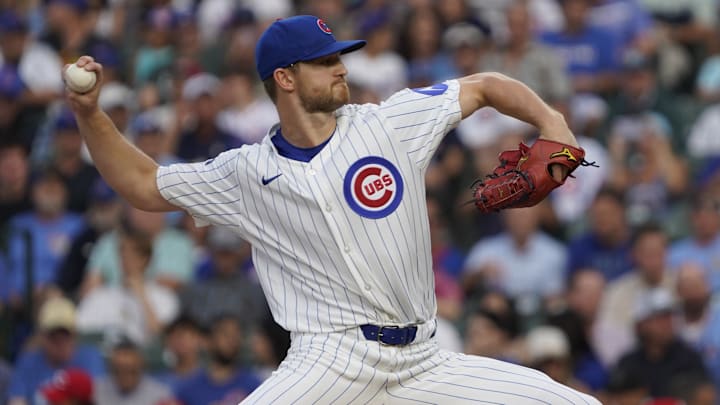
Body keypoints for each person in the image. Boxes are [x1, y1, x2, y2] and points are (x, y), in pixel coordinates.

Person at [65, 15, 600, 404]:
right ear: (285, 77)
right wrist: (90, 115)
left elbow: (486, 85)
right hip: (329, 361)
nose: (340, 68)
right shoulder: (245, 173)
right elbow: (142, 184)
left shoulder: (388, 123)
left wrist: (554, 126)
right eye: (325, 61)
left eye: (339, 56)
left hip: (423, 358)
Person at [8, 296, 104, 405]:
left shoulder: (91, 357)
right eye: (53, 337)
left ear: (75, 335)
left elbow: (99, 399)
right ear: (41, 337)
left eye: (65, 335)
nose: (60, 342)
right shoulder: (28, 361)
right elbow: (16, 400)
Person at [173, 315, 262, 405]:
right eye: (225, 334)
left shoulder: (254, 386)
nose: (231, 340)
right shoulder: (189, 390)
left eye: (236, 335)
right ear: (209, 341)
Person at [93, 340, 175, 405]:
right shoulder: (96, 390)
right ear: (110, 368)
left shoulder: (160, 395)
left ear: (142, 367)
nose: (125, 375)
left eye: (131, 370)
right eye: (118, 370)